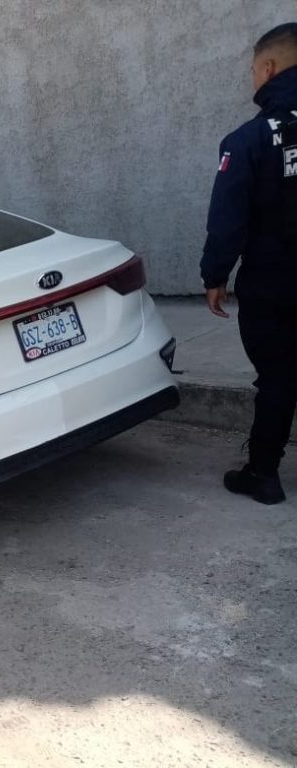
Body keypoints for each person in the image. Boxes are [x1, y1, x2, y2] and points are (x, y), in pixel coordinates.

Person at [201, 22, 297, 506]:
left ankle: (263, 473)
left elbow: (228, 218)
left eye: (253, 71)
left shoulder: (249, 140)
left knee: (279, 376)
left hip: (275, 282)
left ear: (269, 68)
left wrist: (215, 275)